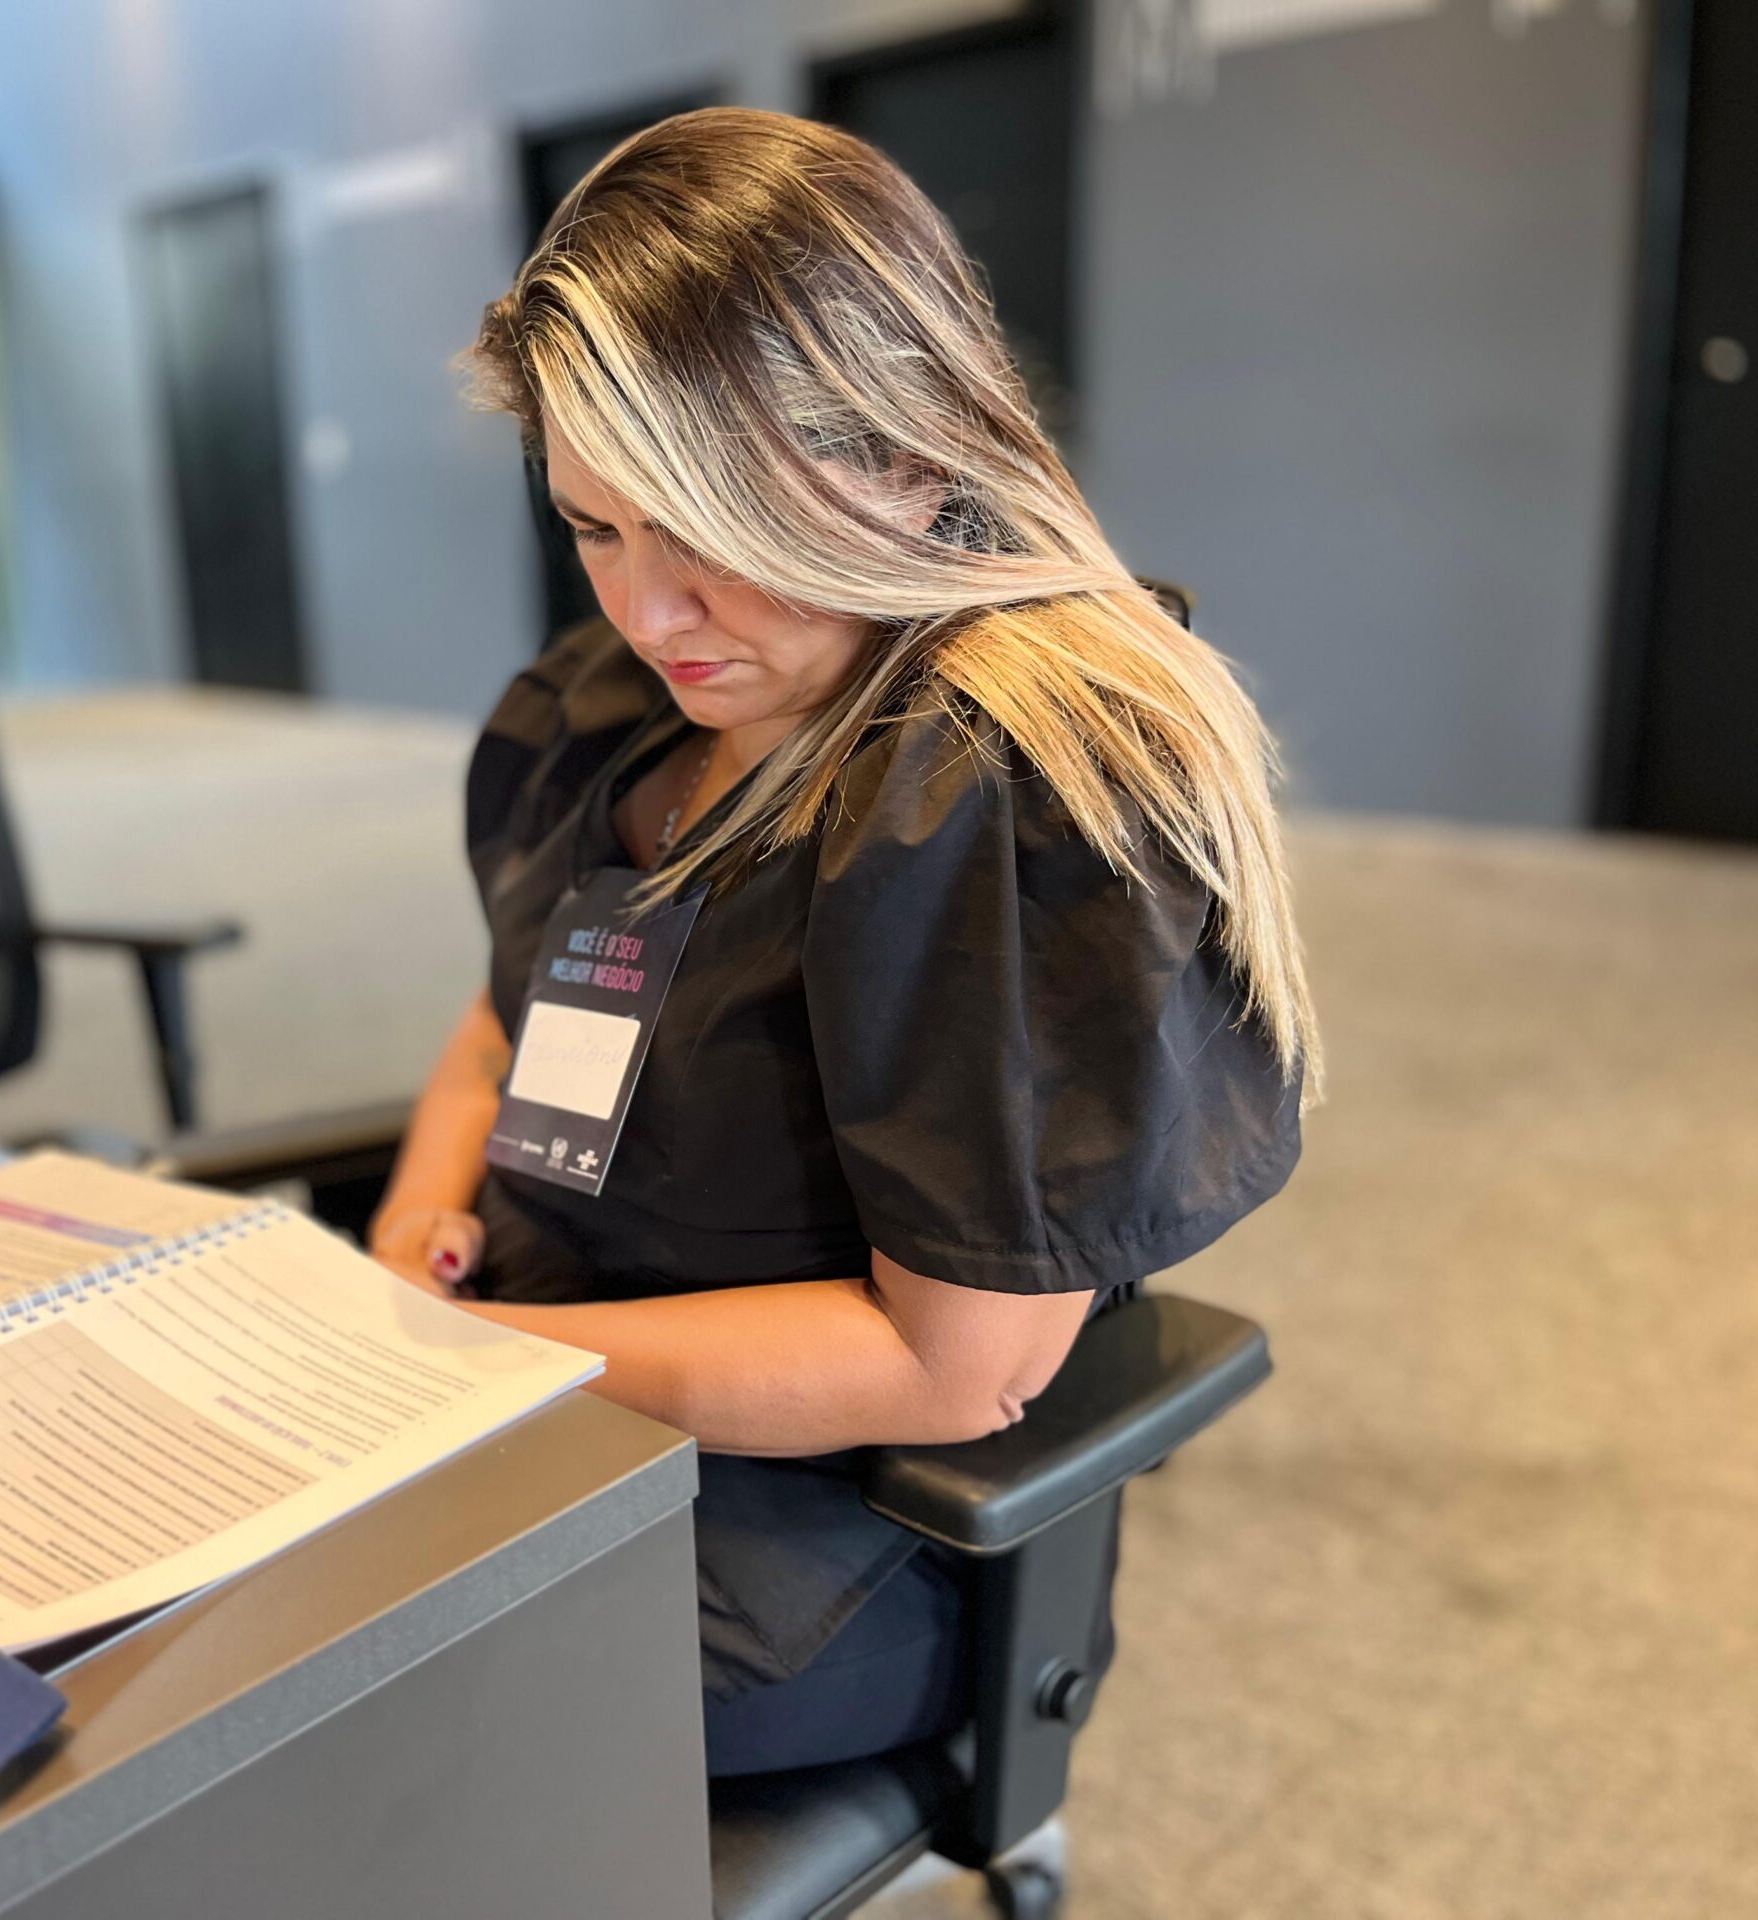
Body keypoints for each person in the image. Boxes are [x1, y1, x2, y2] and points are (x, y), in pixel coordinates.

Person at [367, 109, 1319, 1778]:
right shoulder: (626, 706)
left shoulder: (996, 795)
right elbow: (509, 1011)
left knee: (317, 1723)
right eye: (596, 528)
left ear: (910, 459)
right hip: (529, 1372)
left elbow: (949, 1373)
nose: (647, 613)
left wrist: (473, 1369)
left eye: (704, 527)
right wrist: (414, 1223)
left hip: (804, 1517)